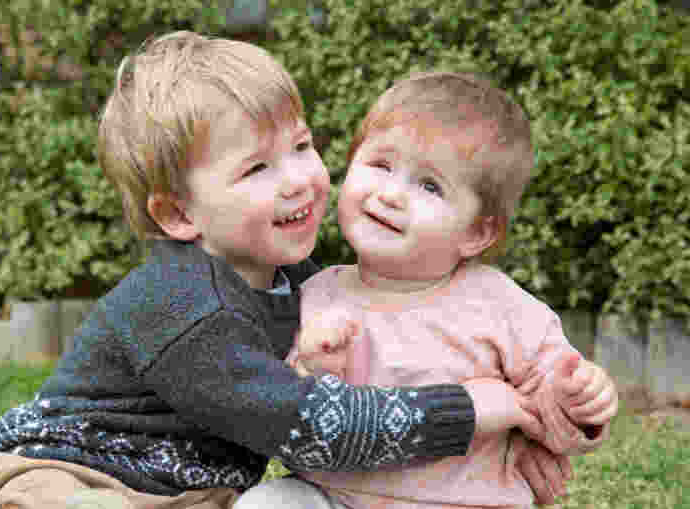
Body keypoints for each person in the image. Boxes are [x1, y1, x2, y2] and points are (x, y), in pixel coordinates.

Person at [0, 35, 569, 509]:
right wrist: (471, 412)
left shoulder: (294, 278)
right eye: (257, 169)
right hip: (73, 475)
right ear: (178, 213)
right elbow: (314, 427)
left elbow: (384, 367)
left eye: (301, 147)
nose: (299, 179)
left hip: (194, 495)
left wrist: (508, 447)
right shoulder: (184, 303)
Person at [235, 71, 618, 509]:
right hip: (331, 496)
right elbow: (285, 415)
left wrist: (575, 403)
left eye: (429, 186)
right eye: (381, 165)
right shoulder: (317, 292)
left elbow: (546, 412)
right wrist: (312, 364)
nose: (392, 194)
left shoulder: (500, 305)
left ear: (476, 232)